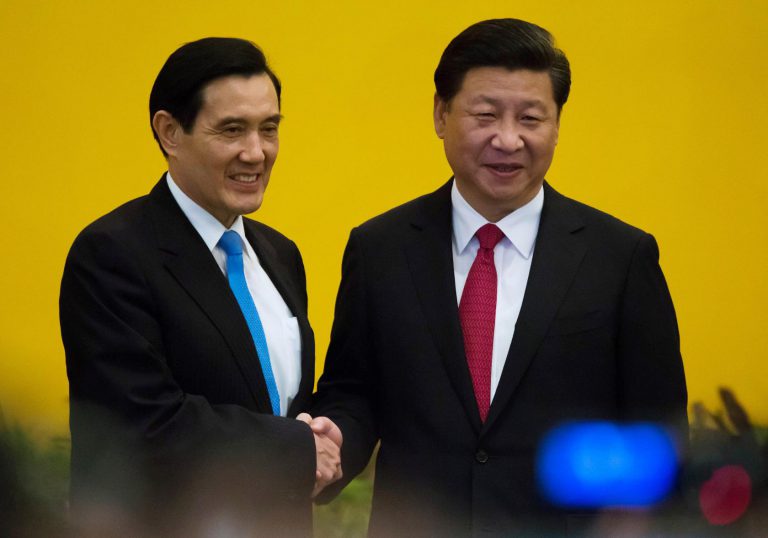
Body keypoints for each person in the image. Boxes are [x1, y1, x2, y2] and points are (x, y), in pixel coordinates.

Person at [311, 18, 687, 536]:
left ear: (557, 124)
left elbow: (656, 435)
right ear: (441, 114)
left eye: (530, 118)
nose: (508, 140)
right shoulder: (380, 248)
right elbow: (353, 392)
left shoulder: (620, 257)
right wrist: (330, 446)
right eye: (485, 115)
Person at [60, 37, 341, 537]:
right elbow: (142, 426)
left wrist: (329, 437)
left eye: (269, 128)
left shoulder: (280, 254)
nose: (256, 152)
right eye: (232, 130)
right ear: (169, 132)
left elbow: (283, 405)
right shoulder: (112, 254)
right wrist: (298, 449)